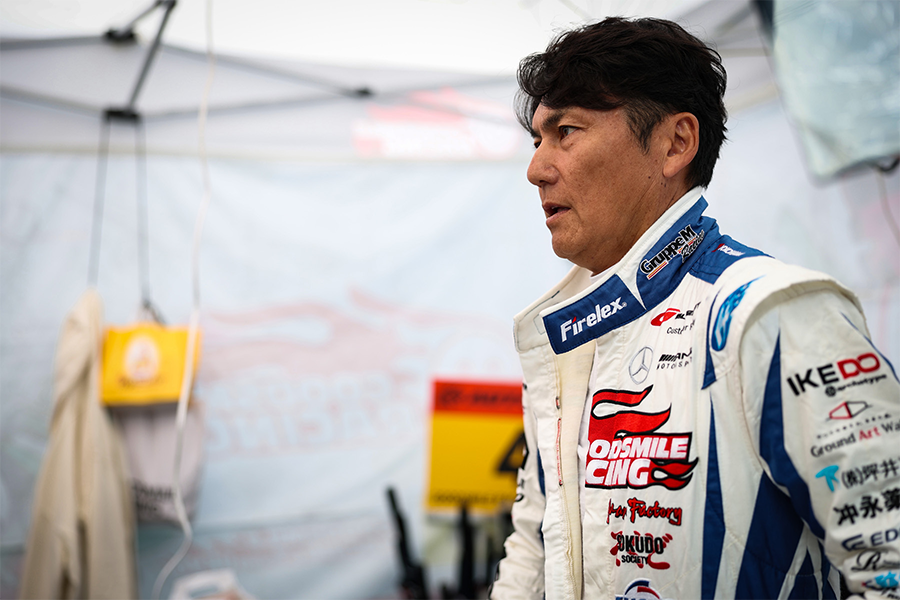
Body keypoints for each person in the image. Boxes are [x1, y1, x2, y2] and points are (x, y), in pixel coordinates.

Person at [490, 16, 900, 600]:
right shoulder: (568, 336)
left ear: (676, 143)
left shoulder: (770, 313)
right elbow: (535, 549)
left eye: (567, 131)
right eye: (538, 140)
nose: (536, 169)